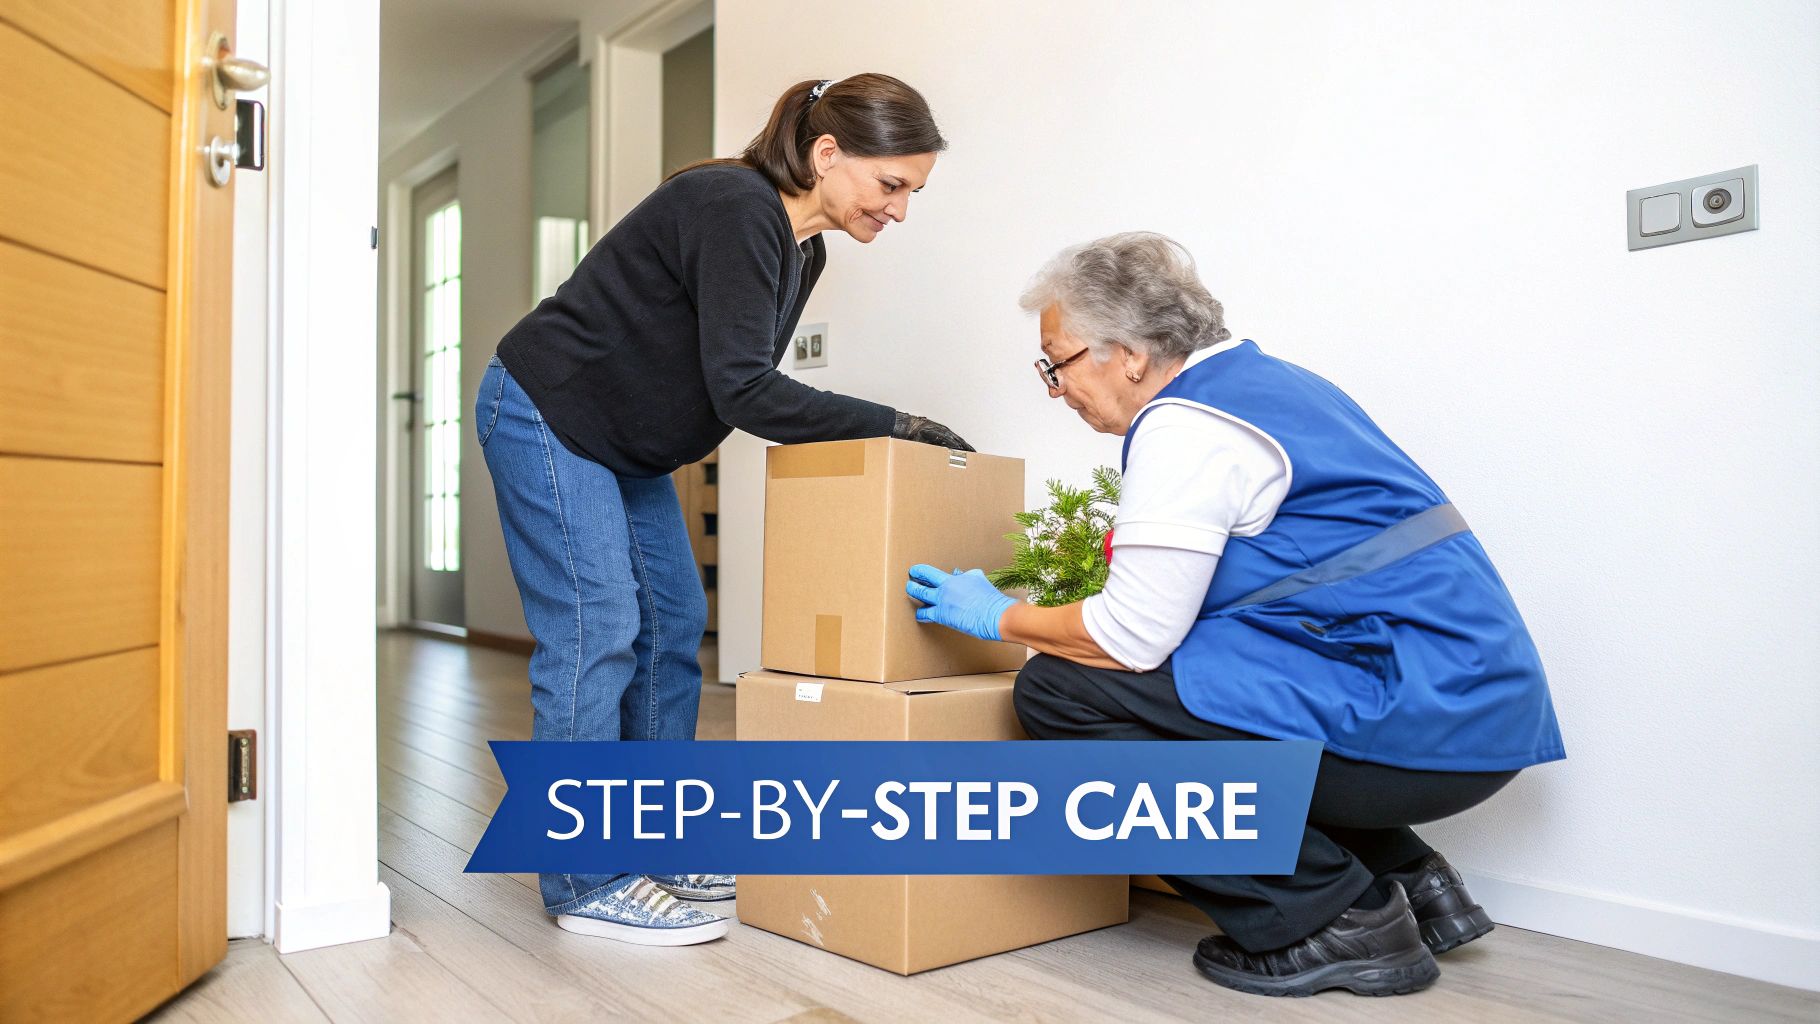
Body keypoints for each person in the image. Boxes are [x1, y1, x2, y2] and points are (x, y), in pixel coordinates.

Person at [906, 232, 1564, 997]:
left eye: (1058, 362)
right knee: (1213, 670)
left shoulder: (1188, 426)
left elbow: (1128, 638)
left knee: (1061, 690)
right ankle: (1410, 879)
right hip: (1472, 706)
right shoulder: (1279, 386)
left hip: (1425, 724)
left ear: (1126, 353)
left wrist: (1000, 618)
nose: (1056, 389)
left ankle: (1330, 921)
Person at [478, 74, 970, 946]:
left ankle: (659, 843)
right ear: (827, 155)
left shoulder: (803, 252)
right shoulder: (732, 205)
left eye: (913, 193)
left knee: (675, 623)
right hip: (549, 410)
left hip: (622, 442)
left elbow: (730, 382)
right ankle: (585, 880)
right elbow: (747, 391)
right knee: (597, 631)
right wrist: (899, 426)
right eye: (891, 184)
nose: (899, 210)